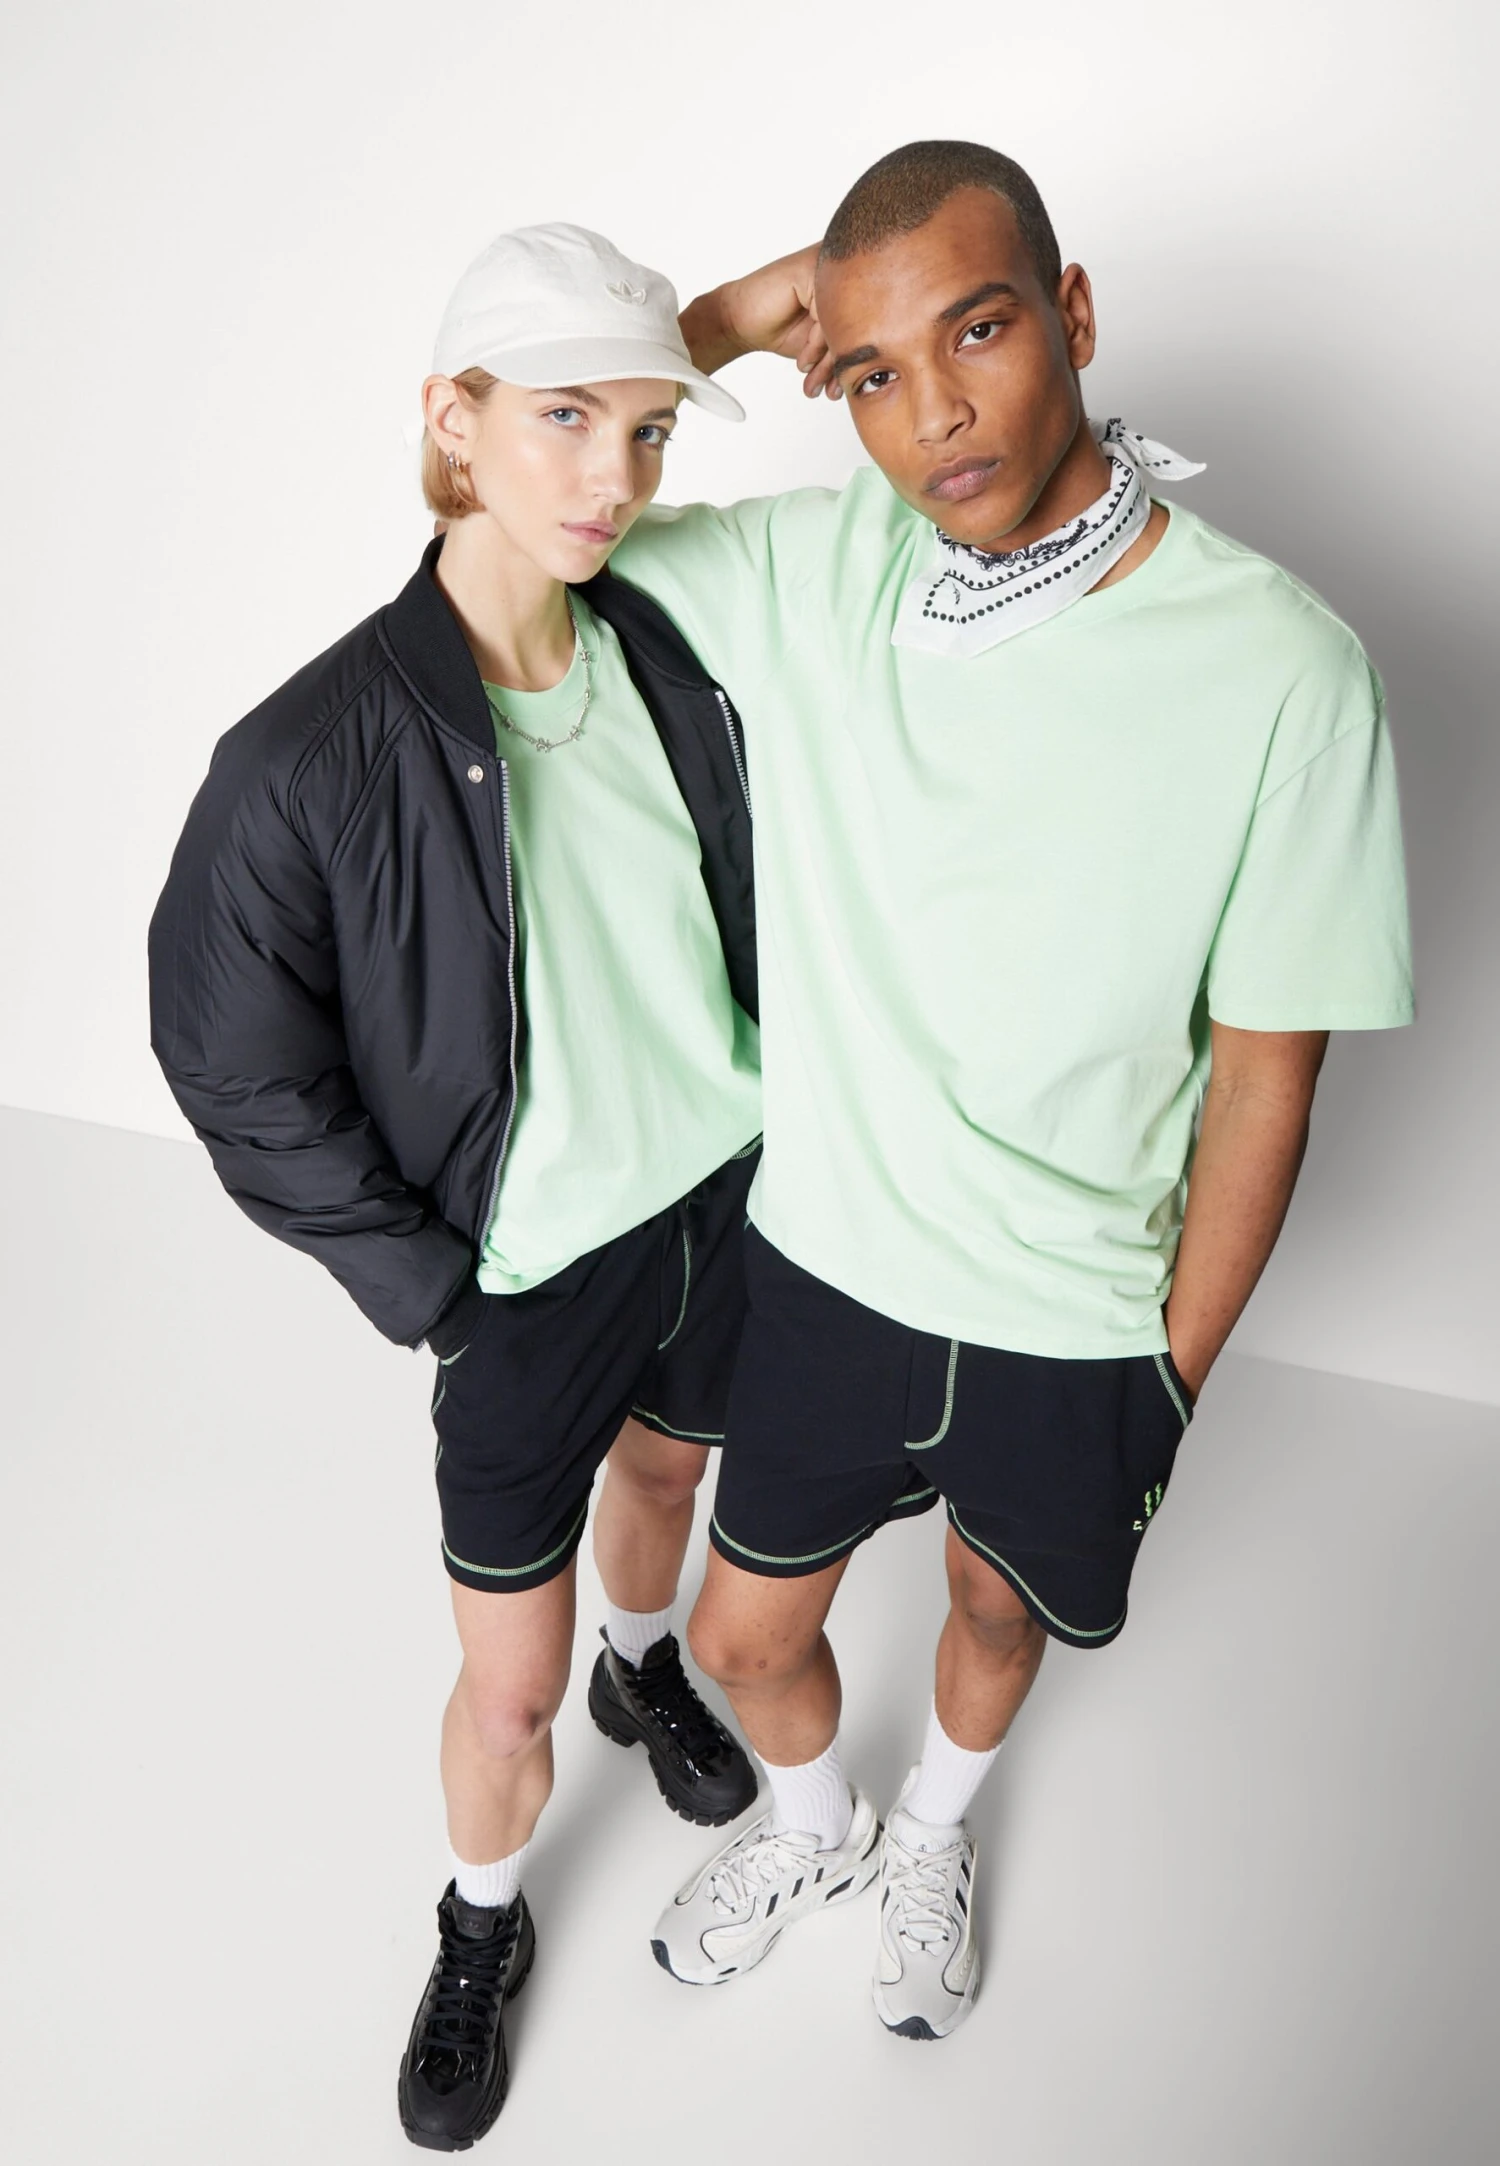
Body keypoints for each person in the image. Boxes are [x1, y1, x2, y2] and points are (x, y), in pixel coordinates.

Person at [605, 142, 1414, 2039]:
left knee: (994, 1611)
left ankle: (931, 1831)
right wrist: (724, 318)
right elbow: (531, 522)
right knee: (741, 1635)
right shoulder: (813, 575)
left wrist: (1170, 1377)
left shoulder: (1288, 666)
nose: (934, 414)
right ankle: (813, 1824)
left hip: (1078, 1311)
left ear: (1075, 313)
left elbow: (1266, 1080)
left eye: (975, 333)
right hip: (829, 1264)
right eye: (871, 371)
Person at [148, 223, 766, 2149]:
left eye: (649, 432)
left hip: (721, 1202)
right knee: (501, 1694)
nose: (614, 476)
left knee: (665, 1488)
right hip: (525, 1278)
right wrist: (433, 1284)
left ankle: (646, 1671)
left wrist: (730, 327)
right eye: (564, 418)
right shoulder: (308, 751)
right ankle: (481, 1918)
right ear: (452, 420)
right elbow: (230, 1063)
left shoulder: (666, 641)